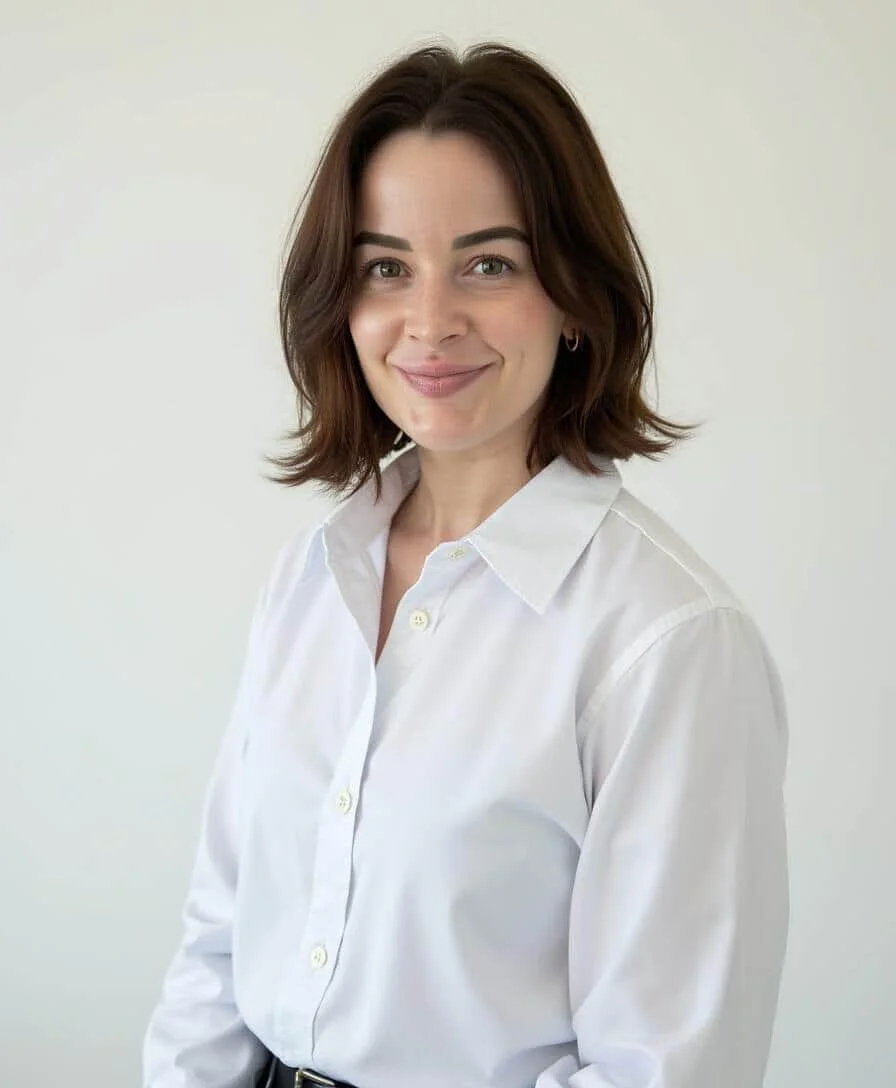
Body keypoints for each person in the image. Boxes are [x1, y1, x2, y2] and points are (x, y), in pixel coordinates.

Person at [143, 41, 789, 1088]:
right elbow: (219, 938)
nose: (428, 321)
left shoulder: (666, 643)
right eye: (385, 266)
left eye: (489, 263)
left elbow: (663, 1067)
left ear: (575, 297)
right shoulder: (312, 575)